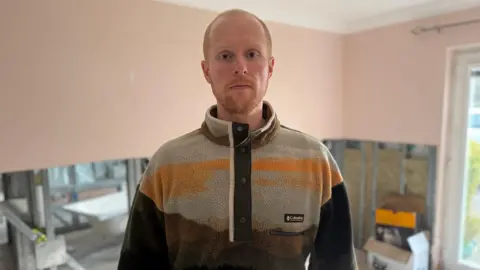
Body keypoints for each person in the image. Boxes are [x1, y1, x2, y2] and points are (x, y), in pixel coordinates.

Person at [118, 9, 357, 270]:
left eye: (252, 54)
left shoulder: (317, 162)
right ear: (206, 70)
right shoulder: (165, 165)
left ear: (270, 67)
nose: (240, 67)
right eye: (225, 56)